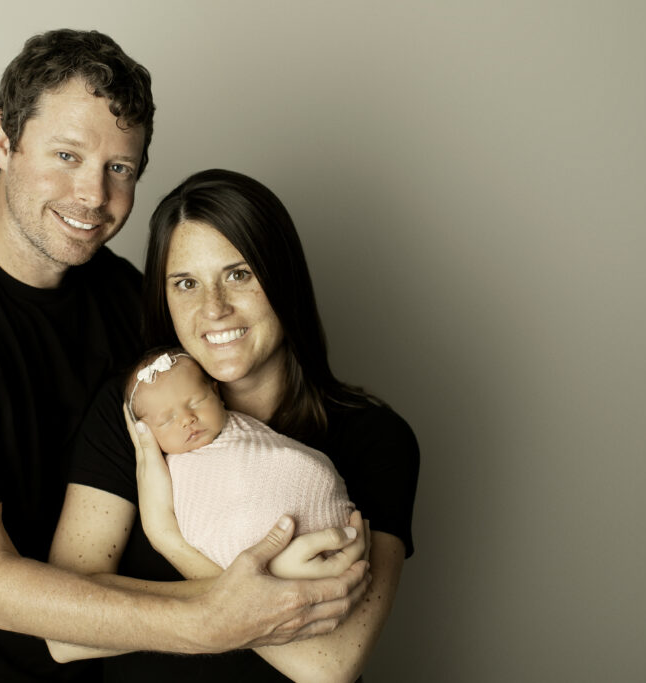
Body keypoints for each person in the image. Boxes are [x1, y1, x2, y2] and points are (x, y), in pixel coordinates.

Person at [0, 30, 370, 682]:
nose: (93, 195)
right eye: (67, 155)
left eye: (119, 167)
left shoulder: (126, 298)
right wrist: (217, 612)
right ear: (4, 142)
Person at [52, 169, 420, 682]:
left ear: (283, 278)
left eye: (239, 274)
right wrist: (263, 591)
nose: (214, 309)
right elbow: (64, 634)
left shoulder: (376, 439)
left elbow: (329, 663)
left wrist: (172, 543)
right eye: (186, 284)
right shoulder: (138, 411)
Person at [125, 347, 355, 569]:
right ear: (146, 432)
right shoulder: (167, 472)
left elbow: (289, 462)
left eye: (196, 402)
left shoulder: (241, 428)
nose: (187, 419)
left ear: (217, 393)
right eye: (167, 420)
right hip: (258, 560)